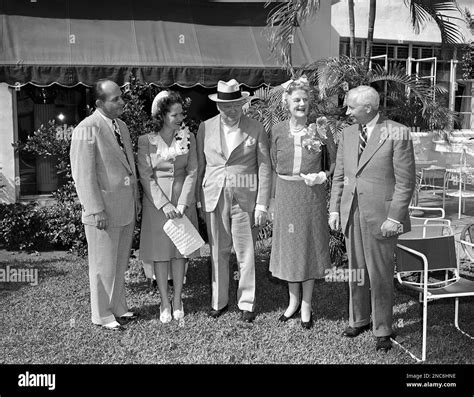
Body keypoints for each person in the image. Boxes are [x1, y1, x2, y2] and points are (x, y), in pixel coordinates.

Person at [329, 85, 416, 351]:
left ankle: (383, 328)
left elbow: (406, 182)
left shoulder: (397, 132)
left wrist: (395, 217)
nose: (346, 111)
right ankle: (359, 319)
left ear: (368, 107)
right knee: (356, 270)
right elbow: (340, 176)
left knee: (379, 275)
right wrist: (334, 209)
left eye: (351, 107)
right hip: (352, 212)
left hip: (382, 217)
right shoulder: (347, 133)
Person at [196, 79, 271, 323]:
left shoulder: (256, 128)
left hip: (245, 199)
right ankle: (219, 302)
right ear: (218, 106)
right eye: (226, 105)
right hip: (214, 197)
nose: (232, 110)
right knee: (218, 250)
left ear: (243, 103)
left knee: (245, 251)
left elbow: (264, 167)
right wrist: (199, 200)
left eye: (236, 104)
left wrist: (262, 204)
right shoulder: (204, 129)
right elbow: (200, 166)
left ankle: (247, 302)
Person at [70, 79, 141, 331]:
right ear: (100, 103)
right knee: (102, 265)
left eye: (121, 97)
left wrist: (136, 199)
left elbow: (128, 167)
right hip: (103, 212)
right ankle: (101, 314)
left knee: (120, 262)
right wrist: (95, 209)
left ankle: (119, 307)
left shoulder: (121, 125)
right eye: (116, 99)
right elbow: (83, 173)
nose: (122, 102)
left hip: (125, 208)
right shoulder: (86, 128)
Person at [269, 77, 336, 329]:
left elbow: (333, 162)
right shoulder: (276, 131)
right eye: (297, 99)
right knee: (290, 246)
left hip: (311, 195)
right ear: (287, 102)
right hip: (286, 194)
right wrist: (272, 200)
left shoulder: (320, 128)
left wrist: (323, 175)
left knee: (307, 245)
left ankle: (307, 303)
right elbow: (271, 165)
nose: (301, 104)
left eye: (306, 100)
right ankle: (292, 301)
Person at [137, 90, 198, 324]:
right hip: (157, 206)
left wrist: (182, 202)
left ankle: (178, 300)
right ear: (162, 116)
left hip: (183, 203)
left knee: (180, 252)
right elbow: (145, 175)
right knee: (161, 255)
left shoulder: (188, 136)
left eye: (182, 113)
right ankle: (164, 301)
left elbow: (193, 170)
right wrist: (163, 204)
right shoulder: (146, 141)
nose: (180, 118)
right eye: (175, 114)